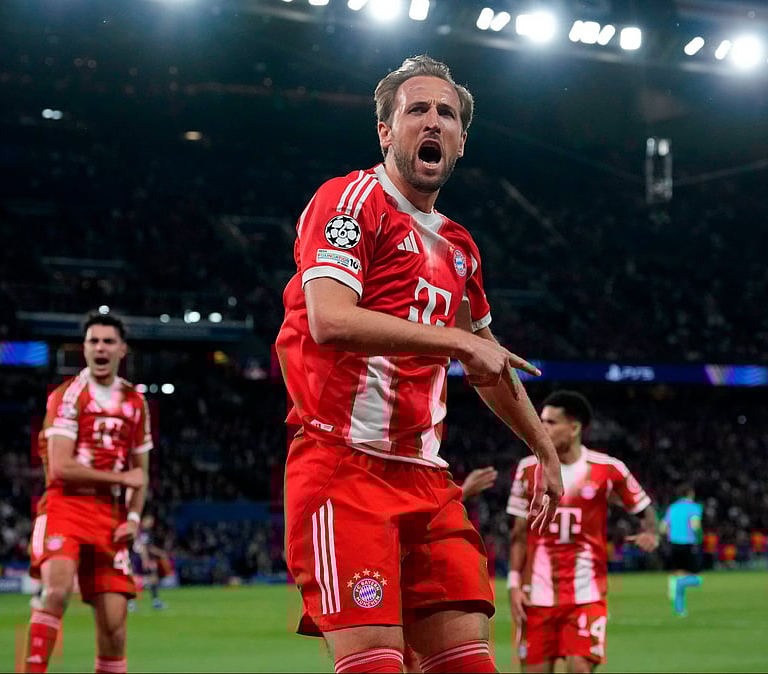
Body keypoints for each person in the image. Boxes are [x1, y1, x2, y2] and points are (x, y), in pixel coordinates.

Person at [275, 54, 564, 674]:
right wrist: (460, 343)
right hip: (342, 469)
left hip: (428, 482)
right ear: (387, 131)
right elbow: (330, 320)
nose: (433, 122)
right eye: (417, 110)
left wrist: (543, 447)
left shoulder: (459, 246)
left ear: (461, 141)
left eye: (447, 114)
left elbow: (490, 365)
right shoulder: (350, 200)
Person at [24, 312, 152, 674]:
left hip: (110, 515)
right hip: (66, 505)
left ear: (121, 349)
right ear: (83, 348)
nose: (100, 348)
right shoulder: (67, 397)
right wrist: (122, 479)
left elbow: (140, 475)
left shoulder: (136, 403)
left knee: (114, 625)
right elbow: (62, 467)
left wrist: (132, 518)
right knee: (57, 589)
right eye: (93, 341)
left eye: (108, 341)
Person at [507, 390, 658, 673]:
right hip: (536, 596)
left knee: (580, 668)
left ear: (574, 428)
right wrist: (513, 584)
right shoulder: (527, 470)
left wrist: (650, 532)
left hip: (586, 593)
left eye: (551, 422)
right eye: (541, 421)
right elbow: (518, 534)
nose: (542, 428)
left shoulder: (608, 469)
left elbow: (645, 508)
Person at [661, 484, 703, 617]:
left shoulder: (672, 507)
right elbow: (695, 524)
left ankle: (680, 610)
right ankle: (676, 582)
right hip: (687, 544)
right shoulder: (694, 507)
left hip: (673, 544)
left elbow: (662, 527)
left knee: (680, 574)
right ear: (690, 493)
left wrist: (671, 535)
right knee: (697, 579)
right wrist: (699, 537)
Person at [129, 514, 168, 611]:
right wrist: (145, 559)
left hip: (135, 557)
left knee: (143, 579)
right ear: (143, 521)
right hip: (138, 558)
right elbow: (145, 547)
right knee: (142, 579)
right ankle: (153, 602)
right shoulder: (143, 532)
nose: (151, 524)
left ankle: (134, 603)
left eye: (152, 522)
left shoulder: (138, 530)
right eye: (149, 521)